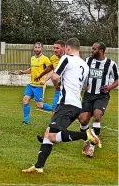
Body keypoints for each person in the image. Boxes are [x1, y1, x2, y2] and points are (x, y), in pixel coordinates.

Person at [22, 38, 101, 174]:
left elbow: (54, 76)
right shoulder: (85, 65)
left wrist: (58, 85)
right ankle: (38, 166)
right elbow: (84, 86)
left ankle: (86, 135)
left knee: (52, 136)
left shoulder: (66, 58)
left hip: (66, 104)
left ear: (68, 48)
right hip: (76, 103)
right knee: (48, 133)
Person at [79, 42, 118, 157]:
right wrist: (83, 84)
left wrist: (110, 87)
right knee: (83, 120)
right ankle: (87, 138)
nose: (92, 50)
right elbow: (82, 74)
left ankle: (91, 147)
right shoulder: (87, 61)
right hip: (88, 95)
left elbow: (117, 79)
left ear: (101, 51)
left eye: (94, 49)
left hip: (102, 95)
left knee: (97, 115)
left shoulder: (111, 64)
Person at [11, 42, 52, 124]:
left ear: (41, 48)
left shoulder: (45, 59)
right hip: (31, 84)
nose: (37, 49)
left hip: (39, 86)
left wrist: (44, 80)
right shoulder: (32, 58)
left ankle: (56, 109)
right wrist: (23, 72)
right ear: (34, 48)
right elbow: (31, 69)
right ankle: (26, 121)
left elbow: (51, 70)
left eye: (38, 47)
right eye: (35, 47)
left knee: (39, 105)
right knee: (25, 100)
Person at [34, 40, 65, 142]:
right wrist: (41, 75)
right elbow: (50, 68)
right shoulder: (53, 58)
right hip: (58, 91)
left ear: (63, 48)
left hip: (68, 92)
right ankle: (48, 137)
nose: (55, 50)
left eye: (57, 48)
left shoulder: (69, 59)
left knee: (81, 117)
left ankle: (87, 135)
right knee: (54, 113)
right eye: (54, 48)